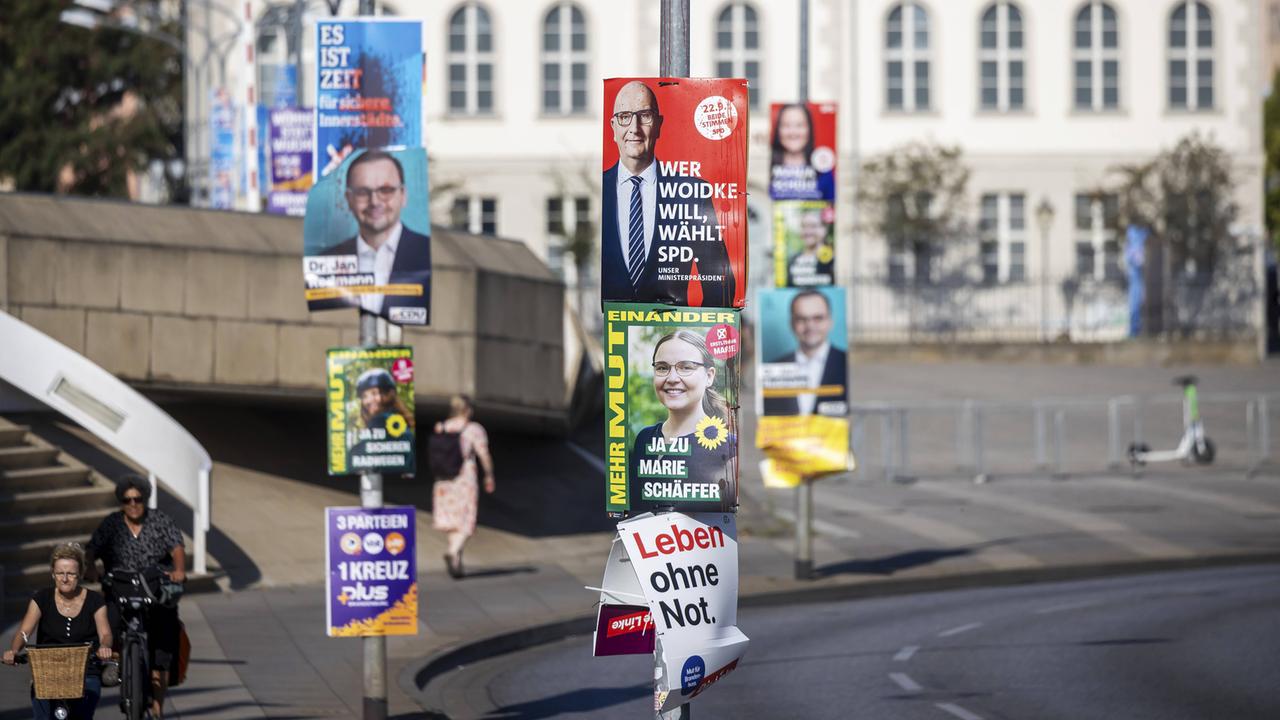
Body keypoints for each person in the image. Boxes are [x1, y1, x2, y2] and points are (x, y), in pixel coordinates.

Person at [601, 80, 736, 306]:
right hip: (614, 333)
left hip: (674, 334)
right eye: (625, 116)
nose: (634, 128)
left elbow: (720, 284)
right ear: (613, 126)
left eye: (644, 115)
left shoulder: (692, 192)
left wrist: (694, 330)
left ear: (659, 125)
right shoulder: (601, 188)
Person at [85, 475, 185, 720]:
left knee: (164, 636)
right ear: (121, 501)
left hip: (154, 587)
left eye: (137, 499)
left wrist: (179, 569)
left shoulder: (159, 520)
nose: (133, 504)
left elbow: (177, 548)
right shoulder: (112, 523)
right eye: (127, 500)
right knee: (107, 623)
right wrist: (90, 567)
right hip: (119, 587)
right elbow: (92, 549)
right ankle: (113, 664)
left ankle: (158, 706)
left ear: (144, 498)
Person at [314, 149, 432, 321]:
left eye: (385, 190)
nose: (375, 202)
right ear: (348, 199)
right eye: (363, 192)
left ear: (403, 195)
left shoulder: (425, 255)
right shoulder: (325, 263)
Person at [628, 331, 737, 513]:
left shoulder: (728, 447)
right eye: (662, 368)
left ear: (709, 376)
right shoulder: (644, 439)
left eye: (686, 367)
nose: (671, 378)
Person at [4, 543, 114, 720]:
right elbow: (25, 631)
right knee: (42, 715)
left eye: (70, 573)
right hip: (48, 671)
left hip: (85, 672)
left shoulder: (95, 600)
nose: (65, 578)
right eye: (60, 573)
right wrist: (15, 649)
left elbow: (106, 634)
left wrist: (104, 647)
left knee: (83, 713)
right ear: (53, 574)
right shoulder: (42, 598)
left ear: (80, 574)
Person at [432, 395, 495, 579]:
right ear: (468, 410)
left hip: (443, 479)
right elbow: (484, 454)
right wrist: (489, 475)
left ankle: (457, 564)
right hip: (464, 478)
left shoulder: (441, 427)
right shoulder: (473, 429)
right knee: (466, 519)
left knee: (452, 521)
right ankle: (453, 552)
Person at [764, 290, 848, 416]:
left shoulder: (844, 362)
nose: (810, 326)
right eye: (801, 319)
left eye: (818, 318)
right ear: (792, 323)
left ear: (830, 321)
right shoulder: (772, 369)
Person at [769, 103, 834, 200]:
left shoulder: (824, 173)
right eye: (786, 125)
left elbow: (830, 207)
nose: (793, 132)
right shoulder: (769, 168)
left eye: (799, 125)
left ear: (809, 129)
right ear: (778, 130)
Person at [356, 368, 415, 437]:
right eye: (364, 396)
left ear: (390, 394)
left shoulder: (381, 421)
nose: (369, 400)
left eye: (374, 393)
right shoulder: (403, 422)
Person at [785, 206, 835, 287]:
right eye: (804, 226)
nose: (808, 231)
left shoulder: (833, 260)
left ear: (824, 229)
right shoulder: (792, 261)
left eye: (813, 226)